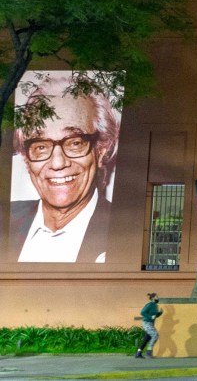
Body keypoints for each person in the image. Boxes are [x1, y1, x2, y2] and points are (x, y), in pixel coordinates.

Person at [9, 74, 120, 263]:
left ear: (101, 150)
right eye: (41, 146)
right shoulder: (7, 217)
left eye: (75, 143)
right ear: (26, 158)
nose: (58, 163)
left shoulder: (121, 227)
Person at [135, 292, 162, 358]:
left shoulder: (155, 306)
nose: (158, 298)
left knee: (146, 339)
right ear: (153, 298)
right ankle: (148, 352)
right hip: (147, 323)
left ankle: (138, 353)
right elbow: (142, 312)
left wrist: (160, 313)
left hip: (151, 324)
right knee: (155, 335)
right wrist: (150, 317)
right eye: (156, 297)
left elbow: (154, 316)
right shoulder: (149, 305)